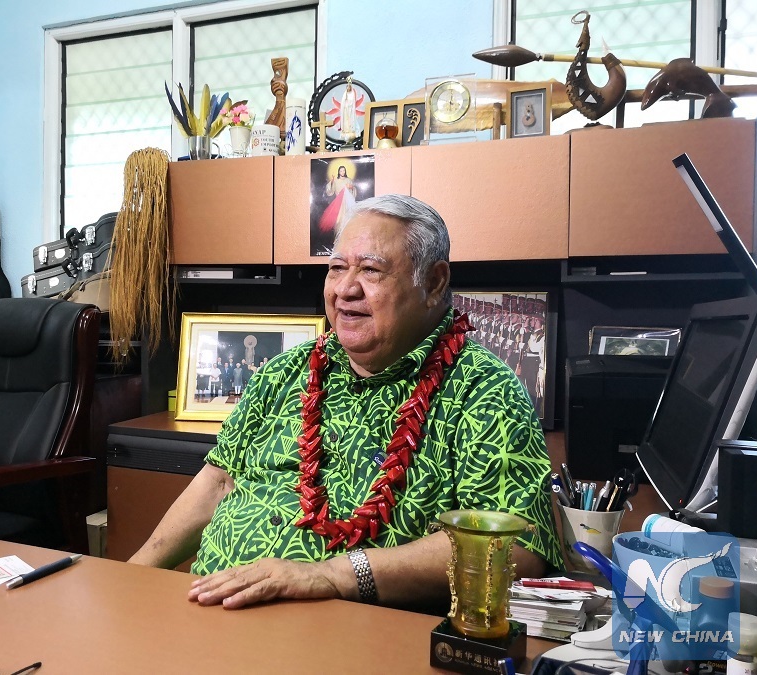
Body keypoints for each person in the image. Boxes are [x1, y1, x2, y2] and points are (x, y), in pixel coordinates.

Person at [129, 194, 561, 612]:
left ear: (433, 283)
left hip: (346, 632)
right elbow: (219, 482)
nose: (345, 289)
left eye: (371, 270)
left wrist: (331, 576)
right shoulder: (286, 370)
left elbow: (515, 549)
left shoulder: (485, 391)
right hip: (210, 606)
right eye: (336, 268)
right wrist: (132, 577)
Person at [319, 165, 357, 235]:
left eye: (343, 170)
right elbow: (330, 191)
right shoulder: (336, 181)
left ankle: (346, 235)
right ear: (339, 172)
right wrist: (332, 181)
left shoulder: (348, 180)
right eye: (341, 171)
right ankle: (338, 236)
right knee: (338, 221)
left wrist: (351, 187)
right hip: (338, 203)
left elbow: (353, 190)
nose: (342, 172)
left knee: (348, 220)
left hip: (347, 202)